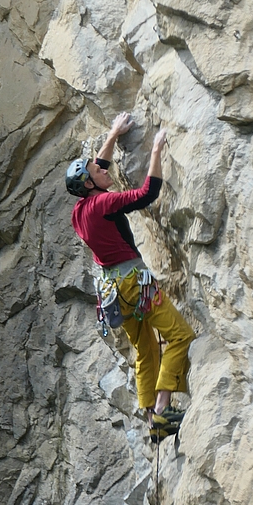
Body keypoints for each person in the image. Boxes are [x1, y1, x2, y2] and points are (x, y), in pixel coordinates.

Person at [66, 112, 195, 442]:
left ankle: (150, 414)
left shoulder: (79, 212)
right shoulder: (104, 203)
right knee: (179, 335)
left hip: (112, 290)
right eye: (98, 172)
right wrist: (156, 150)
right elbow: (147, 194)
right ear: (91, 185)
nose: (104, 169)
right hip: (135, 283)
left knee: (146, 348)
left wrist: (112, 136)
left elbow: (98, 167)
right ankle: (165, 409)